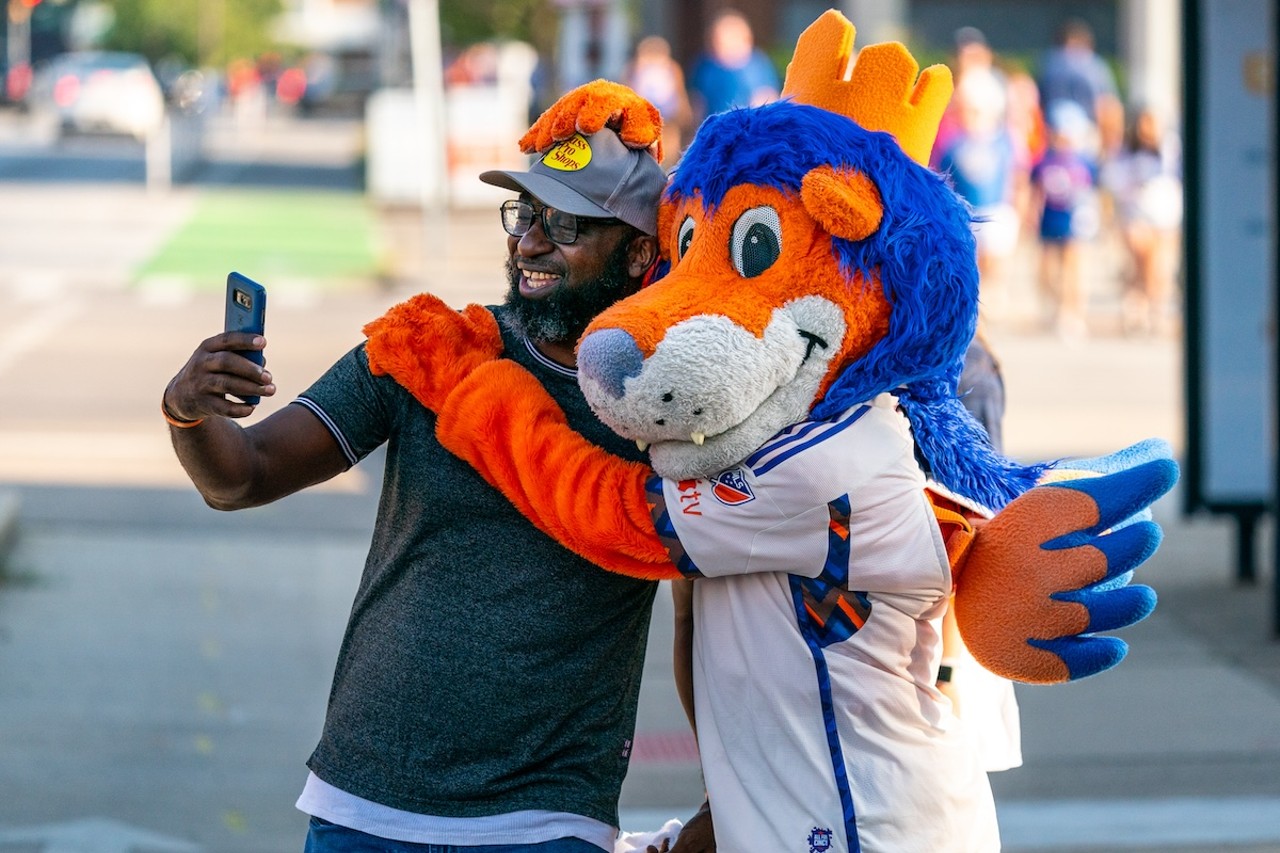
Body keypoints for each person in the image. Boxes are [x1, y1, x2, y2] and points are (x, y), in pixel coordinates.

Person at [161, 90, 710, 851]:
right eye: (525, 215)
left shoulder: (668, 408)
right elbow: (242, 476)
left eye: (567, 223)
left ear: (641, 252)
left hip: (548, 822)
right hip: (365, 809)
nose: (531, 243)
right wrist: (190, 412)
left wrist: (730, 800)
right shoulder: (433, 350)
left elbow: (708, 626)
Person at [1104, 105, 1184, 336]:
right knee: (1140, 264)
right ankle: (1137, 307)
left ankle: (1155, 309)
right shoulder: (1126, 152)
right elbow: (1114, 181)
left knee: (1159, 267)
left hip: (1165, 217)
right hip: (1136, 215)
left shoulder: (1170, 150)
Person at [1030, 101, 1100, 339]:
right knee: (1048, 269)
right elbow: (1036, 190)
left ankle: (1073, 312)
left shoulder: (1086, 162)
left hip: (1077, 219)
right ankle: (1056, 305)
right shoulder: (1043, 161)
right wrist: (1032, 214)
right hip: (1051, 218)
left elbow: (1097, 192)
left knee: (1074, 267)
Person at [1036, 18, 1124, 160]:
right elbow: (1109, 107)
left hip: (1053, 140)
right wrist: (1111, 145)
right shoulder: (1095, 66)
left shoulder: (1047, 63)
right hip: (1085, 140)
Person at [686, 8, 779, 122]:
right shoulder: (705, 67)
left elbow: (767, 97)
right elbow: (696, 102)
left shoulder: (757, 66)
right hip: (714, 129)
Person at [623, 35, 694, 168]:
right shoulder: (634, 70)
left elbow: (680, 95)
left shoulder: (672, 70)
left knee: (669, 155)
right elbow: (627, 94)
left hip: (669, 122)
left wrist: (683, 114)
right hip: (643, 124)